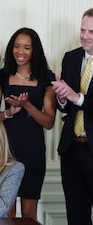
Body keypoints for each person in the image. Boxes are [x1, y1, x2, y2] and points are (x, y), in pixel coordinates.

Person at [0, 28, 56, 219]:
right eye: (17, 46)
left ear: (35, 51)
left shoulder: (46, 78)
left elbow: (49, 121)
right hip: (6, 151)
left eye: (27, 48)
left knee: (29, 214)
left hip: (33, 152)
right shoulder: (2, 76)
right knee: (6, 209)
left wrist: (28, 106)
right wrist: (9, 112)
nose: (20, 52)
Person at [51, 8, 93, 225]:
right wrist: (62, 98)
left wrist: (77, 97)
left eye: (91, 32)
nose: (84, 36)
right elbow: (66, 108)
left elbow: (78, 99)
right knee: (76, 217)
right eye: (82, 30)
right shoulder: (71, 58)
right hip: (72, 149)